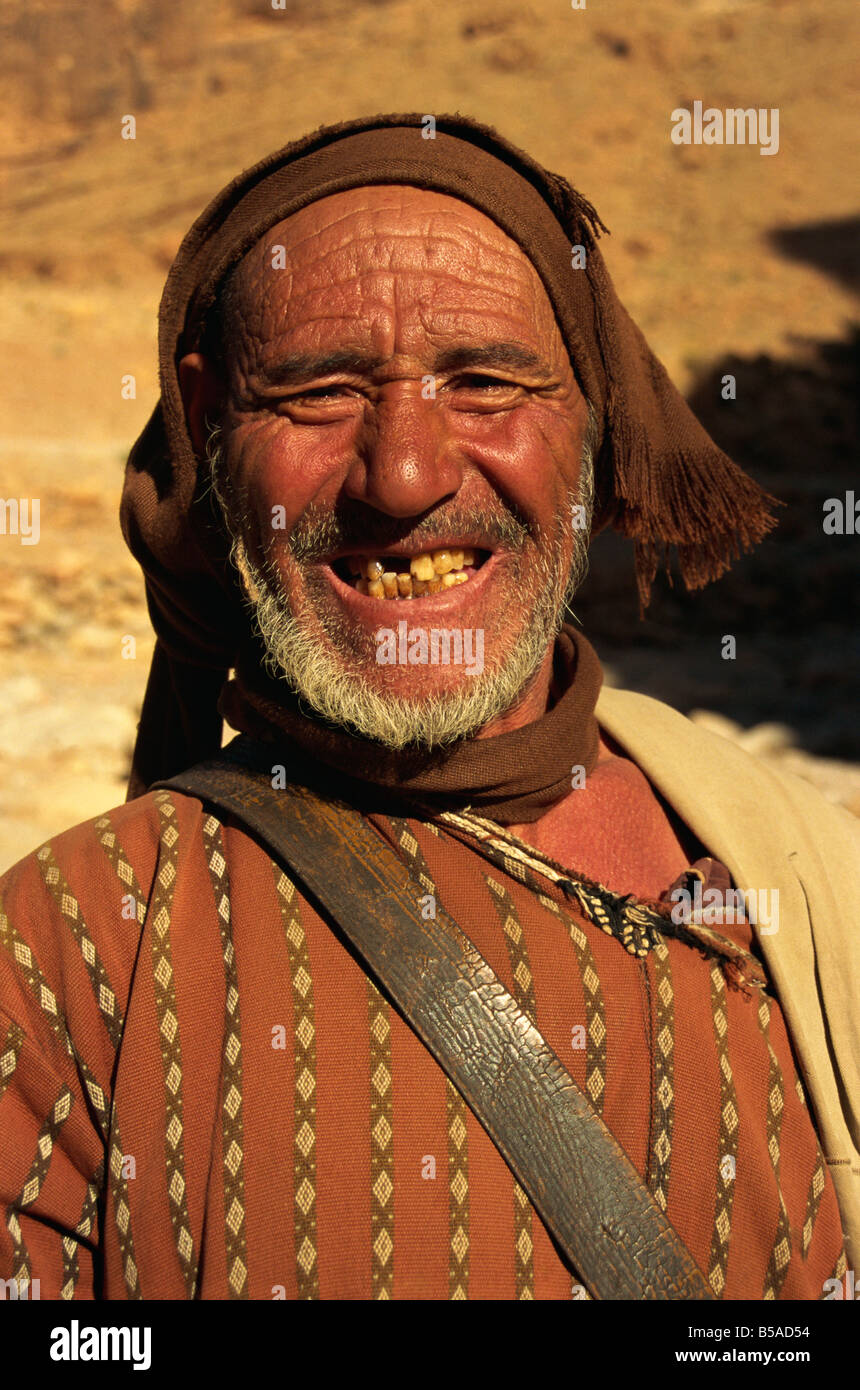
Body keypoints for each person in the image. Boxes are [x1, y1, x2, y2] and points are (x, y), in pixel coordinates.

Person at [0, 113, 856, 1301]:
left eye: (486, 382)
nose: (404, 475)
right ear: (206, 424)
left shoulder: (809, 883)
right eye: (316, 393)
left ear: (595, 425)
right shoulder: (69, 951)